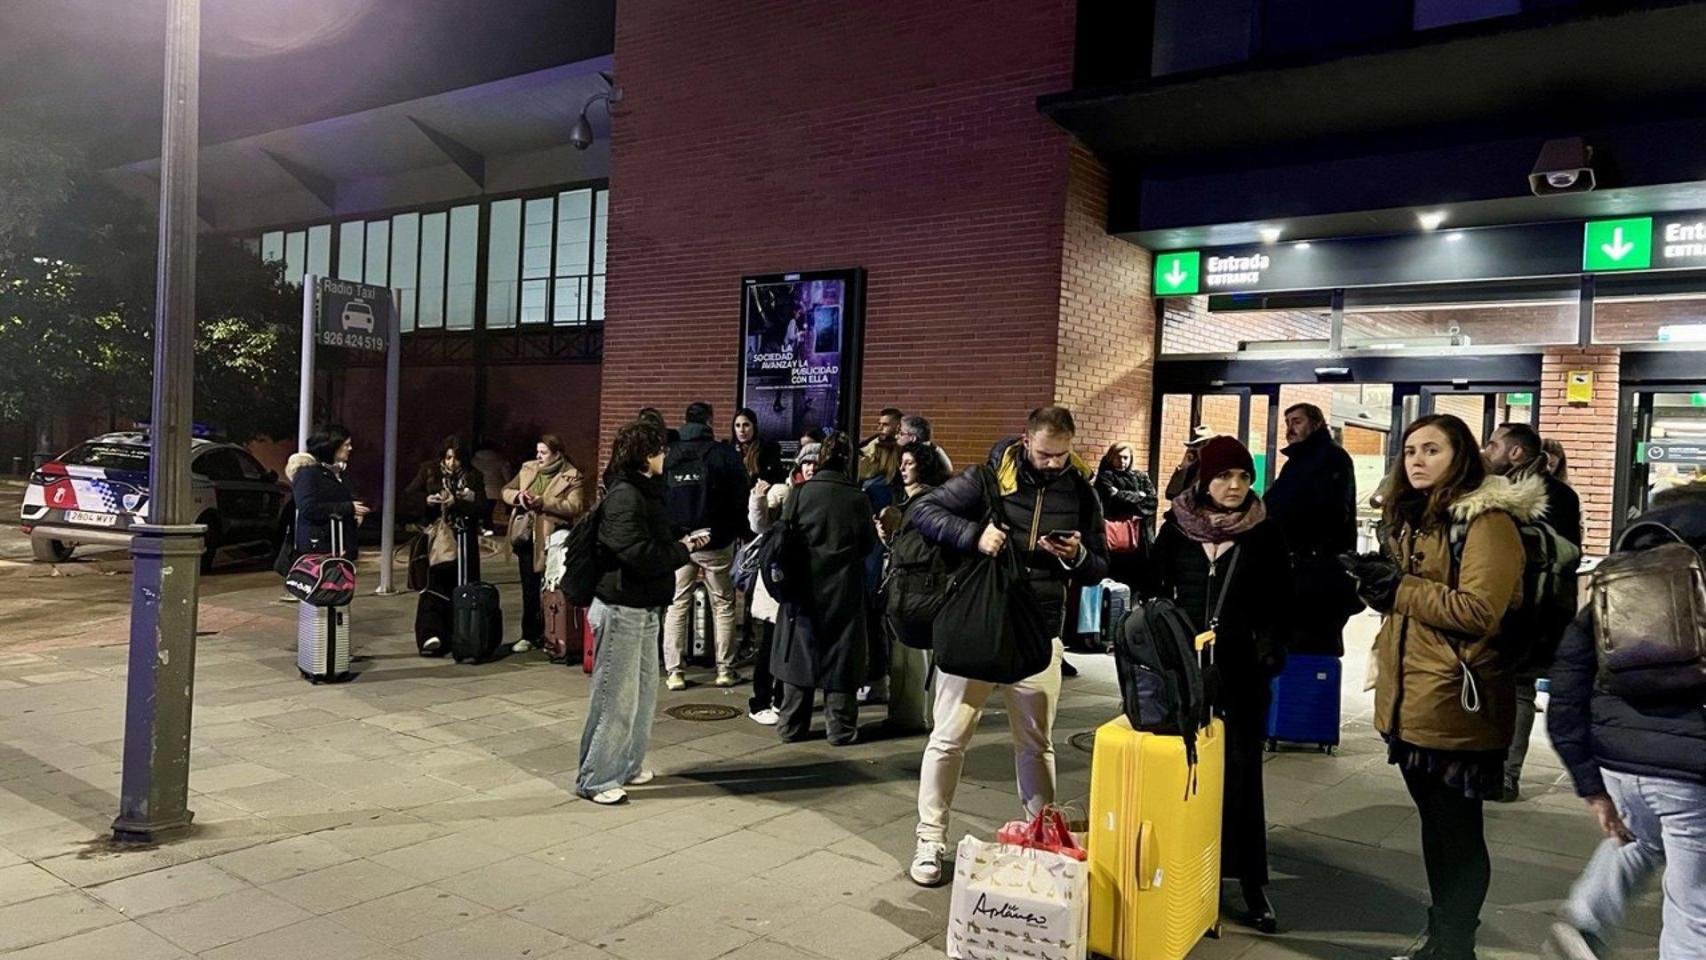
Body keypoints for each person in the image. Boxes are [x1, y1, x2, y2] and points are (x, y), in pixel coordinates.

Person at [1341, 414, 1535, 960]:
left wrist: (1400, 588)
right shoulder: (1417, 518)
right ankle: (1442, 939)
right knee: (1435, 825)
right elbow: (1410, 604)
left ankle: (1455, 945)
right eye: (1409, 450)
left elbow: (1479, 611)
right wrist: (1375, 584)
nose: (1417, 460)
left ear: (1461, 457)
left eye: (1432, 449)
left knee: (1457, 832)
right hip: (1415, 698)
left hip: (1459, 699)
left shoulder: (1486, 521)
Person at [905, 405, 1109, 887]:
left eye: (1062, 455)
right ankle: (930, 839)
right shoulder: (986, 478)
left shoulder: (1081, 491)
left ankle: (1042, 837)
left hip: (1039, 630)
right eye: (1044, 454)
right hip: (980, 622)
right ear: (1025, 440)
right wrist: (974, 535)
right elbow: (921, 512)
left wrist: (1077, 554)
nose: (1053, 463)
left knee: (1036, 744)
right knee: (948, 737)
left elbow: (1100, 566)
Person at [1544, 485, 1706, 960]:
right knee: (1694, 903)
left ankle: (1586, 922)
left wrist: (1591, 785)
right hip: (1691, 771)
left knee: (1640, 838)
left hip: (1618, 763)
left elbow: (1567, 687)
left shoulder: (1614, 583)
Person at [1143, 435, 1289, 932]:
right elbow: (1152, 591)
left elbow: (1280, 601)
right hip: (1183, 671)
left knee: (1243, 775)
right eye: (1225, 476)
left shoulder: (1263, 533)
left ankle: (1250, 882)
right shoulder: (1176, 529)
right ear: (1205, 480)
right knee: (1182, 771)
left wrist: (1267, 648)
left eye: (1244, 477)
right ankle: (1181, 871)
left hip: (1242, 670)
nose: (1235, 485)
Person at [577, 420, 709, 805]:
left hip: (644, 606)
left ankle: (627, 765)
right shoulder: (624, 496)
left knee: (642, 695)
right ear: (644, 455)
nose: (665, 456)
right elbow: (637, 553)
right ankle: (596, 778)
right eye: (659, 450)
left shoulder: (646, 492)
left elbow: (651, 538)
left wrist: (681, 537)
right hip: (621, 607)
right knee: (614, 698)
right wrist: (683, 549)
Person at [1482, 422, 1582, 802]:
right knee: (1502, 686)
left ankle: (1505, 774)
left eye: (1493, 445)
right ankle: (1492, 769)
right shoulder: (1500, 489)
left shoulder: (1544, 495)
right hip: (1509, 604)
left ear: (1516, 452)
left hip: (1529, 609)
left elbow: (1558, 554)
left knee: (1518, 688)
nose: (1486, 450)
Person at [770, 433, 877, 745]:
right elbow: (867, 545)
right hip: (844, 590)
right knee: (841, 659)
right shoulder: (858, 498)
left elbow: (783, 539)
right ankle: (840, 730)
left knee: (799, 656)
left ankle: (791, 726)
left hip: (802, 590)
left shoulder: (800, 493)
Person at [662, 402, 751, 689]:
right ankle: (724, 669)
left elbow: (661, 496)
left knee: (677, 603)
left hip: (679, 541)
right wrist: (741, 531)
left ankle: (675, 672)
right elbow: (741, 496)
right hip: (716, 540)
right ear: (709, 421)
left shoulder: (671, 455)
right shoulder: (723, 454)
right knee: (723, 603)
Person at [1263, 403, 1360, 658]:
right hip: (1299, 569)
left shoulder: (1332, 458)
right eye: (1287, 423)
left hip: (1317, 573)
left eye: (1297, 421)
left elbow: (1333, 513)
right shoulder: (1300, 460)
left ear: (1316, 424)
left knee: (1312, 650)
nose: (1289, 429)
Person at [747, 442, 822, 725]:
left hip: (801, 581)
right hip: (777, 580)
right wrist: (757, 499)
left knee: (790, 645)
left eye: (816, 463)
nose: (811, 468)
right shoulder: (784, 491)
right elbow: (759, 526)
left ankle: (780, 698)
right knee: (770, 643)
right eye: (807, 463)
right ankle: (759, 701)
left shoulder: (819, 494)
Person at [501, 435, 587, 654]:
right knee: (529, 589)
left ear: (557, 454)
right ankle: (529, 635)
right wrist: (519, 496)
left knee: (552, 587)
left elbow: (575, 506)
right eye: (538, 452)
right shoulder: (528, 468)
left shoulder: (572, 475)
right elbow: (506, 490)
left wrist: (543, 502)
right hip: (526, 537)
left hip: (552, 539)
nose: (539, 456)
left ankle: (554, 633)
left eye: (544, 453)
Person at [406, 436, 487, 656]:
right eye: (448, 457)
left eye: (457, 458)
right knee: (433, 585)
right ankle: (430, 636)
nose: (452, 463)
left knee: (462, 586)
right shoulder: (429, 470)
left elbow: (482, 507)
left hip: (463, 539)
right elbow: (409, 496)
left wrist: (458, 502)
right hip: (437, 540)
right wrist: (428, 500)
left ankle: (460, 635)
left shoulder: (474, 476)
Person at [292, 425, 369, 562]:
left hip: (342, 545)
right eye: (346, 445)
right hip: (320, 548)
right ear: (332, 446)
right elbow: (307, 507)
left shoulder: (341, 473)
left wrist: (356, 511)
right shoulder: (308, 473)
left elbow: (346, 496)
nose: (350, 448)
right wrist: (347, 508)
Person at [1094, 441, 1158, 589]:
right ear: (1111, 458)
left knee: (1139, 582)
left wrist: (1120, 494)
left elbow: (1152, 503)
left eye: (1126, 457)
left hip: (1141, 540)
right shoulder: (1105, 478)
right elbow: (1111, 500)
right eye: (1119, 457)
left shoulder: (1140, 477)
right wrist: (1139, 496)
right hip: (1116, 538)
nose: (1122, 461)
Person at [732, 407, 787, 486]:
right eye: (737, 425)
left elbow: (778, 476)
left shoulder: (768, 449)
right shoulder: (729, 451)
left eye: (746, 425)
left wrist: (766, 484)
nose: (741, 430)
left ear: (754, 427)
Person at [471, 441, 512, 533]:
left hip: (478, 491)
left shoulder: (474, 460)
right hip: (495, 491)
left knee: (482, 511)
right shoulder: (501, 460)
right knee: (489, 511)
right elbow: (507, 476)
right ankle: (488, 527)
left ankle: (483, 527)